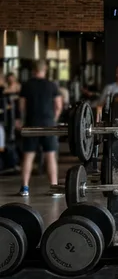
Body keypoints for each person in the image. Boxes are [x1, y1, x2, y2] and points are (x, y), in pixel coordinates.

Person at [17, 60, 62, 197]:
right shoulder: (52, 85)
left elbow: (21, 106)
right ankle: (54, 188)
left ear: (33, 70)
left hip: (32, 123)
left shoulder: (27, 85)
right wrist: (54, 118)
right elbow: (58, 105)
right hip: (48, 123)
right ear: (45, 69)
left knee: (28, 156)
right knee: (50, 156)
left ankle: (25, 188)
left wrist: (23, 120)